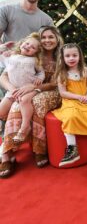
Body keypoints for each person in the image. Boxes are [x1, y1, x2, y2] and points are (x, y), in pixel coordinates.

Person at [0, 26, 63, 176]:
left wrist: (33, 87)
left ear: (57, 39)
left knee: (35, 102)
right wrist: (13, 89)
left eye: (51, 37)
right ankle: (8, 151)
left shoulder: (61, 56)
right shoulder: (21, 56)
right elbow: (4, 76)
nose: (47, 40)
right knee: (16, 104)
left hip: (51, 91)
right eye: (44, 37)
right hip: (20, 90)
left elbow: (56, 83)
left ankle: (38, 149)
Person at [0, 32, 44, 177]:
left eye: (32, 47)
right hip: (12, 91)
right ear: (22, 42)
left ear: (36, 52)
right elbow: (4, 67)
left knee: (25, 103)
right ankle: (8, 140)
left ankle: (25, 126)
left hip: (26, 90)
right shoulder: (11, 56)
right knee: (1, 111)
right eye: (26, 43)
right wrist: (4, 47)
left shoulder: (34, 61)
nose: (28, 47)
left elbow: (41, 73)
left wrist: (39, 79)